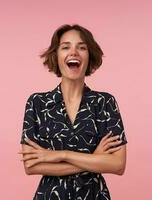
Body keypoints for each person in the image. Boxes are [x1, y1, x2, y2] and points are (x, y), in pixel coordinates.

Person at [18, 24, 127, 200]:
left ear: (89, 55)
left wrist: (60, 155)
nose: (74, 52)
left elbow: (118, 165)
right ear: (56, 55)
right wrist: (95, 159)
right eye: (66, 47)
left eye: (82, 47)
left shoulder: (105, 103)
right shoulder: (37, 103)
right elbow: (31, 165)